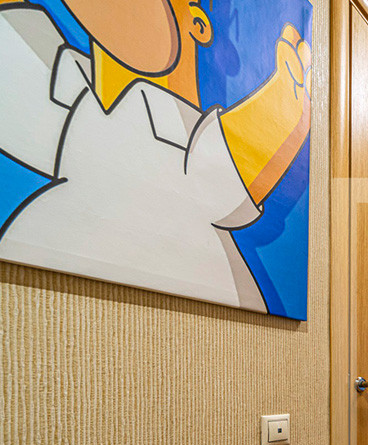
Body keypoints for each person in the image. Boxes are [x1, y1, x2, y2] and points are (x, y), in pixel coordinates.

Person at [0, 0, 312, 313]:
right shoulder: (72, 85)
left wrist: (287, 96)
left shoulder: (175, 125)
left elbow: (225, 176)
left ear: (198, 25)